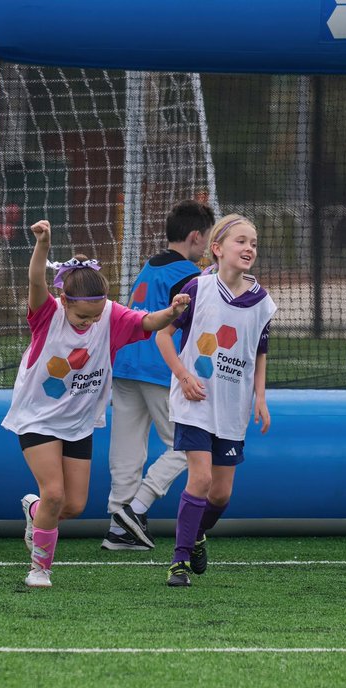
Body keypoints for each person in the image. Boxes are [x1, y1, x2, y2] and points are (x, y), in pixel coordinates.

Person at [2, 219, 190, 588]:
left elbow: (148, 321)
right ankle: (39, 569)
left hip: (78, 423)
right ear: (64, 302)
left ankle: (36, 511)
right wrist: (43, 244)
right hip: (37, 418)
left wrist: (173, 312)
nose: (89, 322)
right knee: (54, 492)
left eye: (96, 314)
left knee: (70, 506)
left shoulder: (110, 315)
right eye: (81, 316)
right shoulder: (48, 315)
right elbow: (37, 281)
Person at [155, 214, 277, 587]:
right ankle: (178, 562)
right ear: (217, 249)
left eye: (253, 243)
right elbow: (163, 336)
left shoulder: (263, 303)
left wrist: (260, 396)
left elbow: (259, 351)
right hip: (196, 400)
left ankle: (196, 535)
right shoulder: (197, 288)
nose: (249, 249)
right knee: (202, 477)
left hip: (233, 407)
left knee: (221, 495)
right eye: (241, 241)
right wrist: (184, 376)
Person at [103, 199, 215, 551]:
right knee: (185, 446)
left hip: (124, 365)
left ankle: (118, 527)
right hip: (158, 369)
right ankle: (137, 508)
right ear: (196, 237)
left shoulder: (149, 266)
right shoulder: (190, 277)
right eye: (208, 240)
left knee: (126, 448)